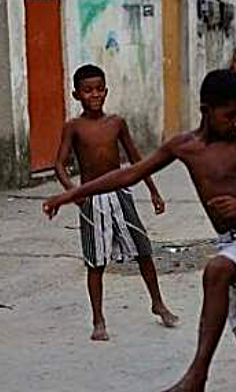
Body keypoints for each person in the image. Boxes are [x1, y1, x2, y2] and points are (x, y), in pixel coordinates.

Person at [43, 69, 236, 392]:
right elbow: (127, 174)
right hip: (232, 245)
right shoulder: (184, 147)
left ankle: (197, 374)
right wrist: (70, 194)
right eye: (229, 114)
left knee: (216, 270)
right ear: (205, 109)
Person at [53, 64, 178, 340]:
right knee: (95, 261)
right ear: (77, 95)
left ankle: (158, 302)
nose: (94, 95)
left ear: (106, 91)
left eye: (99, 89)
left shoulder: (117, 123)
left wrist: (154, 191)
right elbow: (59, 165)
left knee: (143, 250)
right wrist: (74, 193)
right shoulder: (73, 127)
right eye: (88, 91)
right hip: (91, 201)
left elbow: (137, 160)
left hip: (122, 195)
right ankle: (98, 321)